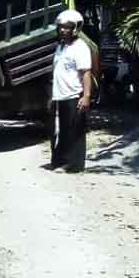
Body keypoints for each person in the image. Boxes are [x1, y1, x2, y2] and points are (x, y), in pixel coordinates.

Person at [50, 9, 93, 173]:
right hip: (59, 95)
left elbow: (86, 73)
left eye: (67, 27)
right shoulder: (61, 47)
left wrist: (86, 96)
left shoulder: (80, 47)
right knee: (60, 130)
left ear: (75, 28)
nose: (63, 30)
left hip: (73, 95)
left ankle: (74, 165)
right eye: (61, 27)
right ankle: (60, 161)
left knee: (75, 131)